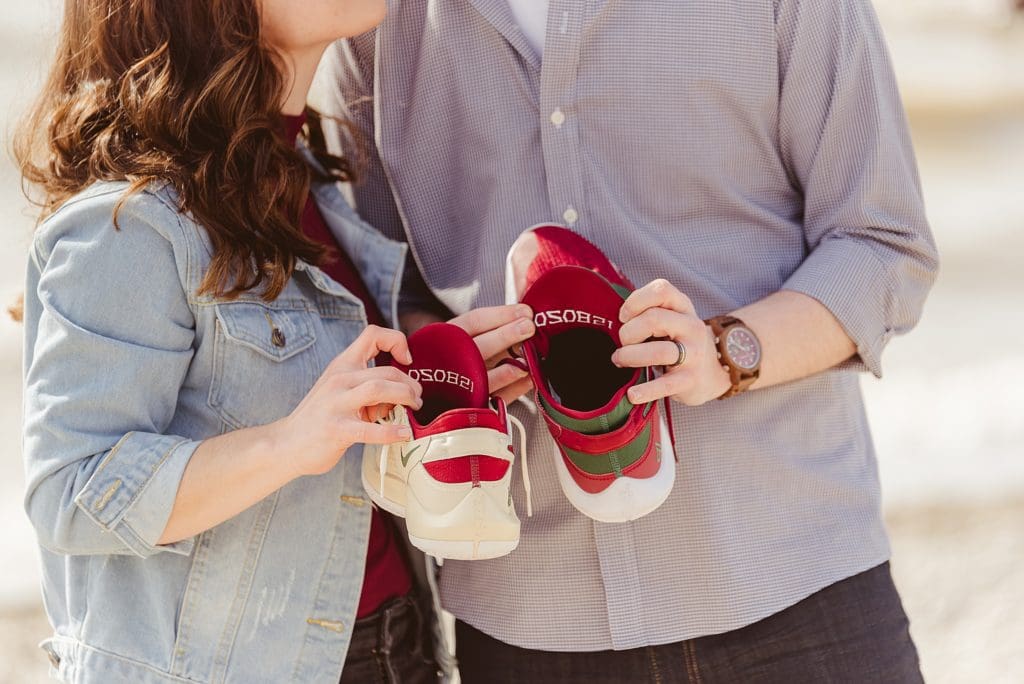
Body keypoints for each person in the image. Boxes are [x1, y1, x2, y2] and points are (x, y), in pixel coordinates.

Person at [317, 0, 940, 681]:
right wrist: (452, 358)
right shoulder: (370, 17)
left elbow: (880, 243)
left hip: (792, 580)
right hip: (529, 617)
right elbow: (385, 288)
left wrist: (728, 350)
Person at [17, 1, 448, 681]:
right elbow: (72, 489)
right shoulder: (131, 219)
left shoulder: (302, 176)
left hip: (395, 645)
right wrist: (289, 442)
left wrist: (435, 364)